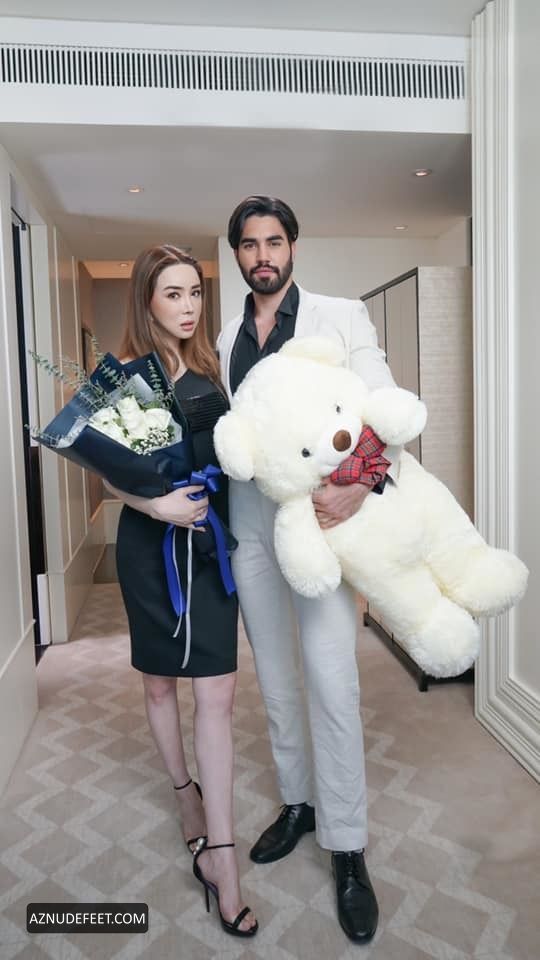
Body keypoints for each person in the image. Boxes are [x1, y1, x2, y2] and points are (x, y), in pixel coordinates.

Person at [218, 197, 399, 944]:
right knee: (275, 676)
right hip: (250, 526)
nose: (263, 254)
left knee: (331, 680)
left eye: (274, 241)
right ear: (237, 253)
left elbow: (384, 407)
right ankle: (298, 802)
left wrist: (362, 483)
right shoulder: (226, 335)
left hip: (320, 522)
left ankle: (347, 845)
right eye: (249, 244)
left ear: (293, 245)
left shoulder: (341, 316)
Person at [110, 244, 257, 938]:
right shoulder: (125, 377)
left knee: (218, 693)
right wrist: (154, 505)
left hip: (210, 545)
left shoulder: (211, 371)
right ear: (147, 301)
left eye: (194, 292)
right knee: (160, 685)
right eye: (173, 294)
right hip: (150, 547)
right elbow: (106, 471)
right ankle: (184, 796)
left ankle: (222, 856)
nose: (189, 306)